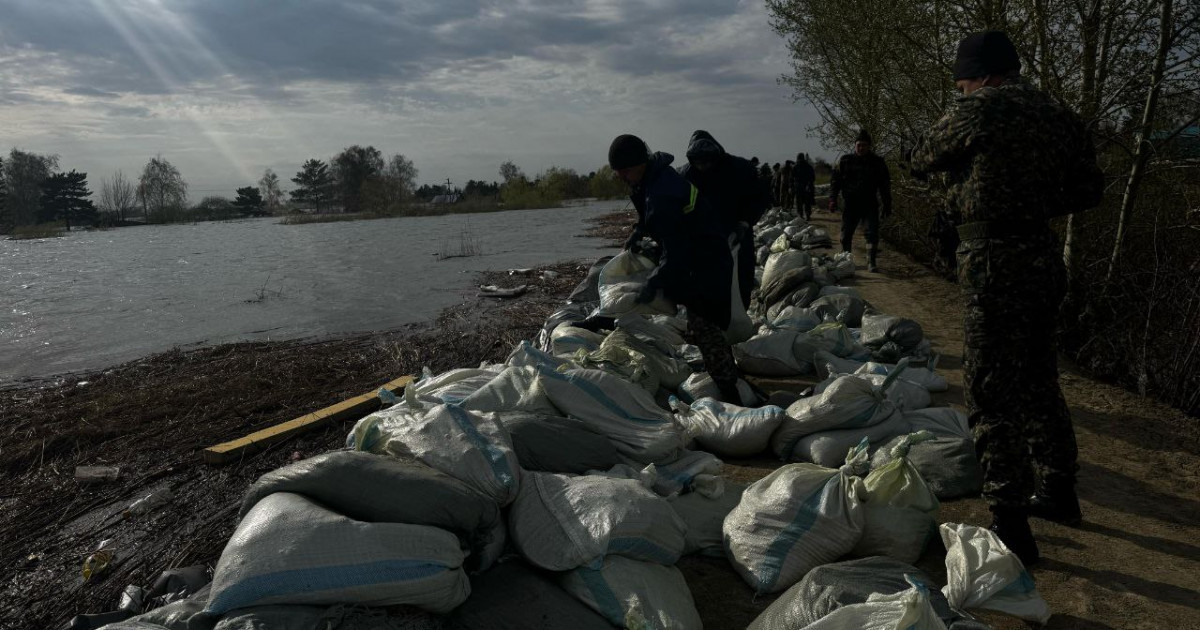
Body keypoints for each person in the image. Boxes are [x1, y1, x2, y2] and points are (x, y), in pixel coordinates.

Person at [909, 31, 1104, 565]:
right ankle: (1059, 489)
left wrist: (988, 196)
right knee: (1039, 378)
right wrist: (1032, 201)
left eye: (962, 85)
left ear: (982, 76)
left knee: (991, 393)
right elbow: (1090, 189)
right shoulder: (1059, 115)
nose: (961, 92)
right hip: (1041, 256)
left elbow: (922, 156)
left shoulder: (981, 109)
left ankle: (1011, 522)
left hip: (993, 260)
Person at [608, 134, 742, 404]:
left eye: (625, 171)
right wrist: (639, 230)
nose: (621, 177)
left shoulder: (662, 192)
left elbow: (676, 251)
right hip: (697, 255)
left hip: (707, 262)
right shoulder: (652, 179)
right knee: (700, 320)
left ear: (638, 164)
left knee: (706, 324)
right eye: (618, 172)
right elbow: (652, 217)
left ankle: (731, 394)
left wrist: (653, 283)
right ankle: (721, 371)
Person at [679, 130, 770, 309]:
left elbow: (758, 198)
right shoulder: (685, 175)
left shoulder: (739, 169)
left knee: (740, 279)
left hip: (737, 234)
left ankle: (738, 313)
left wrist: (744, 223)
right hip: (703, 238)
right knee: (705, 285)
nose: (703, 167)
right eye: (698, 163)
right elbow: (674, 207)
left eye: (707, 162)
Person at [829, 129, 891, 271]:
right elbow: (835, 182)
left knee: (872, 232)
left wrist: (887, 204)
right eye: (859, 145)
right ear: (855, 145)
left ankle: (871, 261)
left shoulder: (877, 162)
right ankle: (846, 261)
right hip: (851, 204)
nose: (861, 148)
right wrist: (832, 199)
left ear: (869, 146)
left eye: (864, 145)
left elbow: (885, 185)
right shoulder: (845, 161)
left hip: (870, 203)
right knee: (846, 234)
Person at [793, 153, 816, 220]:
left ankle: (802, 215)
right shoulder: (808, 166)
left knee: (801, 202)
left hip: (801, 187)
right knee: (806, 202)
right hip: (804, 187)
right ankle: (806, 215)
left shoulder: (796, 167)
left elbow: (792, 178)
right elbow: (812, 177)